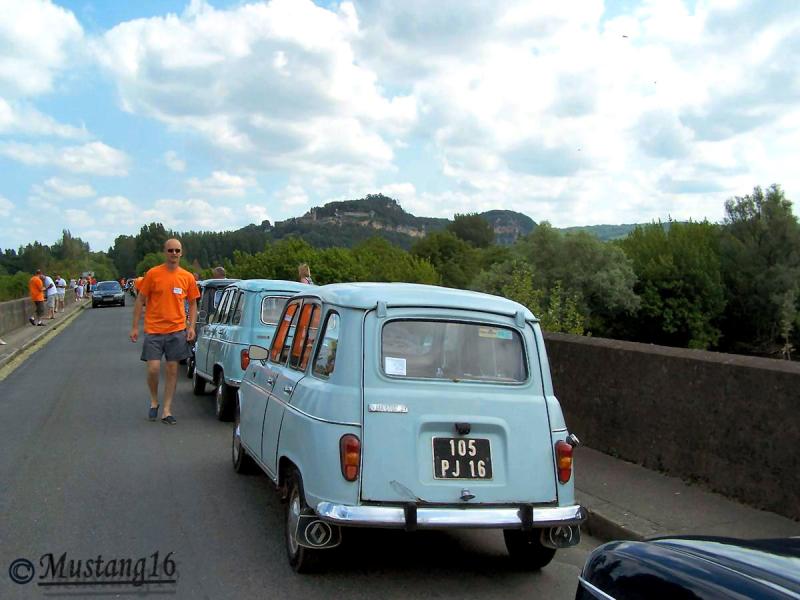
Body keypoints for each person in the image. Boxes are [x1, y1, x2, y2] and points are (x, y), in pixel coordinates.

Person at [129, 239, 199, 425]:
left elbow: (193, 303)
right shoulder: (153, 274)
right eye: (170, 250)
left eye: (177, 250)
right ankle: (154, 400)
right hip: (154, 330)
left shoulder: (187, 277)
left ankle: (167, 409)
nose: (174, 253)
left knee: (172, 369)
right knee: (153, 368)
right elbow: (140, 300)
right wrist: (135, 326)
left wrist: (191, 326)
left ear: (181, 253)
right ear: (165, 252)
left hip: (176, 330)